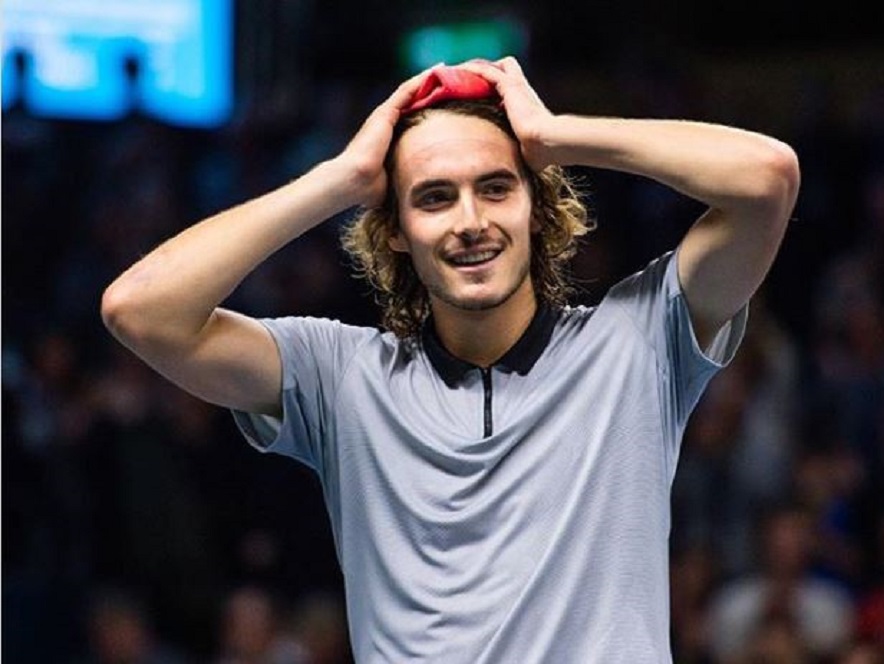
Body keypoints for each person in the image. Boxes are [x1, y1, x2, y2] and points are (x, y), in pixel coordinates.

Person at [101, 57, 799, 662]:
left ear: (536, 206)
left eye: (496, 187)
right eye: (434, 198)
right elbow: (140, 310)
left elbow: (767, 178)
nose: (470, 221)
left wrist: (554, 135)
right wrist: (341, 178)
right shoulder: (339, 377)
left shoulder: (637, 341)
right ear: (395, 231)